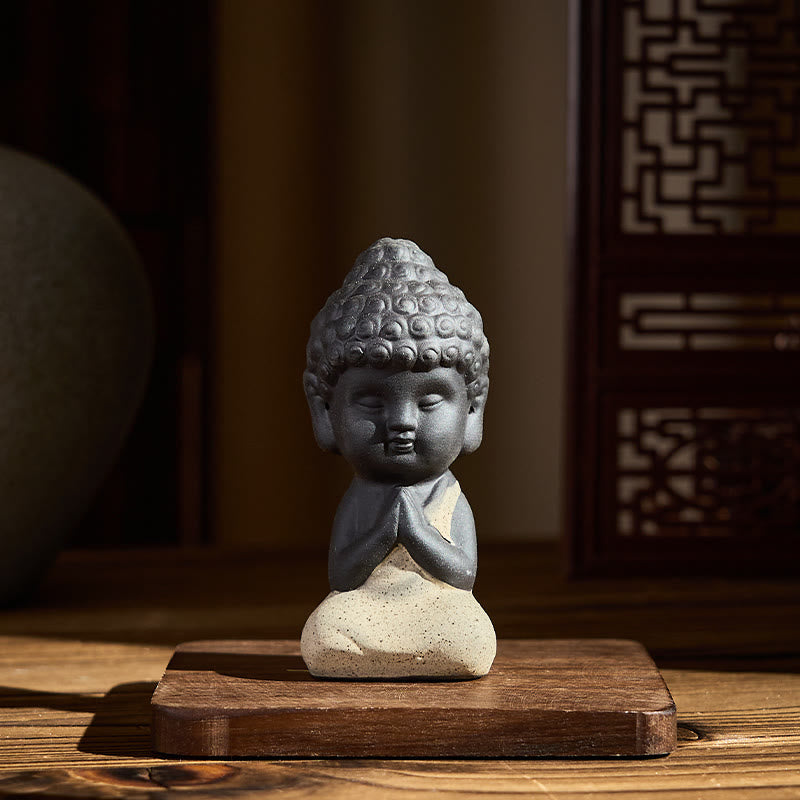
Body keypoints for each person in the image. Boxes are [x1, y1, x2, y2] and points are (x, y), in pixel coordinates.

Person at [301, 238, 496, 679]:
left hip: (441, 609)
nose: (402, 422)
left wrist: (416, 531)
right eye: (372, 402)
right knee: (326, 631)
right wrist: (383, 532)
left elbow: (463, 574)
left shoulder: (447, 495)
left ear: (472, 410)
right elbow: (343, 576)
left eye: (429, 402)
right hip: (364, 606)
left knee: (469, 633)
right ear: (325, 412)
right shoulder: (363, 495)